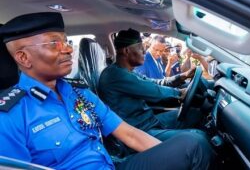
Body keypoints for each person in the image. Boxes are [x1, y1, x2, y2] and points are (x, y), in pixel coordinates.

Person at [0, 12, 214, 170]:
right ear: (23, 58)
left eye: (66, 41)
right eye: (54, 43)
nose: (67, 49)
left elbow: (129, 133)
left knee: (191, 145)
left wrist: (169, 159)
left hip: (113, 164)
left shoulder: (78, 93)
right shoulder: (9, 115)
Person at [98, 28, 204, 142]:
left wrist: (182, 76)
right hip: (138, 132)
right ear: (126, 51)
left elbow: (155, 82)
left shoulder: (128, 72)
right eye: (140, 48)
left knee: (195, 114)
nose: (144, 51)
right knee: (199, 138)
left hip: (149, 121)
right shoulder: (115, 74)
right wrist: (180, 93)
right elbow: (154, 90)